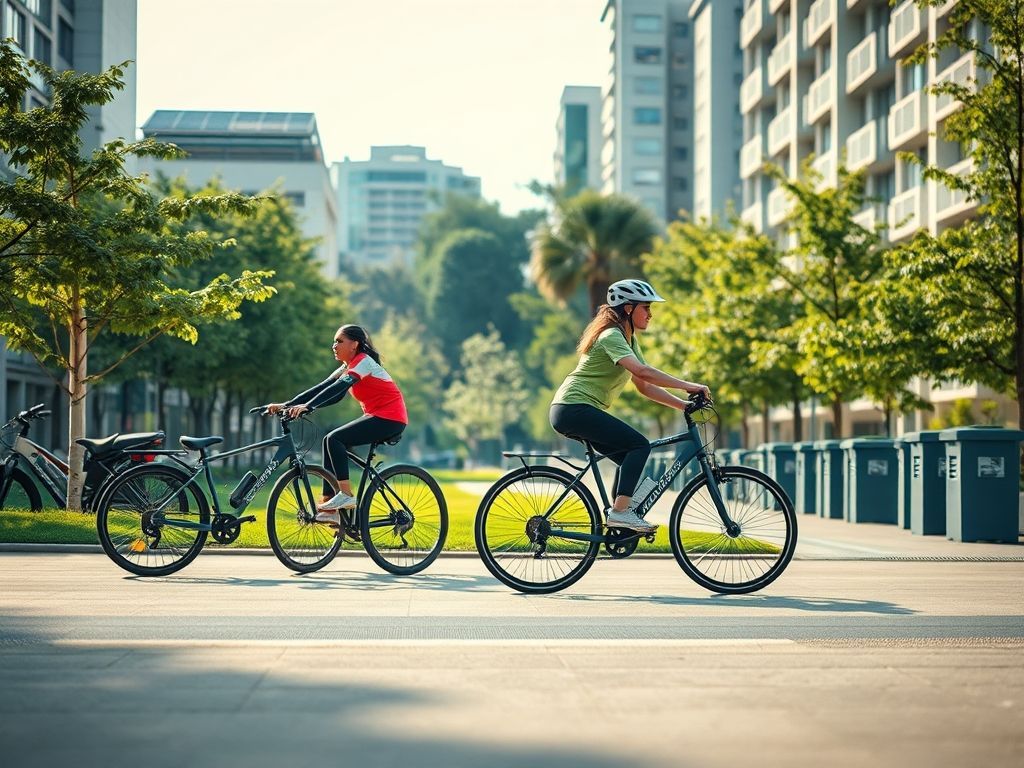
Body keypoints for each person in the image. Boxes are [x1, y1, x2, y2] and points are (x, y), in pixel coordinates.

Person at [549, 279, 711, 532]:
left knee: (629, 456)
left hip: (574, 410)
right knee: (639, 445)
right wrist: (690, 386)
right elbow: (643, 372)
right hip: (573, 408)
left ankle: (620, 519)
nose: (650, 314)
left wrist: (683, 405)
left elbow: (644, 386)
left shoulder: (628, 340)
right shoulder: (611, 335)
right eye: (646, 307)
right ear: (628, 308)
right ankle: (620, 514)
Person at [267, 324, 408, 524]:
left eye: (339, 341)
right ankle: (330, 507)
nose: (334, 345)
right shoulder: (347, 367)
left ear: (354, 344)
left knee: (335, 439)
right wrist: (288, 405)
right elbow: (324, 389)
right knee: (329, 441)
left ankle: (346, 495)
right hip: (377, 416)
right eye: (334, 341)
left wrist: (308, 406)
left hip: (391, 418)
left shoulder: (363, 362)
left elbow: (340, 387)